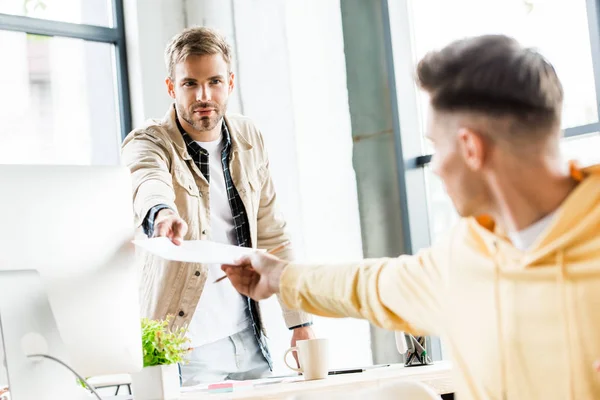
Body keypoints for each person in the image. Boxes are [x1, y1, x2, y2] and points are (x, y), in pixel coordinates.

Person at [221, 35, 600, 399]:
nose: (434, 167)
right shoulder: (468, 254)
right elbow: (372, 286)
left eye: (435, 145)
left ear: (470, 148)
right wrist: (278, 276)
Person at [121, 27, 314, 386]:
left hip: (248, 337)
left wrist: (301, 322)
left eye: (214, 81)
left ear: (230, 83)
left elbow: (273, 234)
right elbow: (146, 180)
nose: (203, 95)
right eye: (190, 84)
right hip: (185, 348)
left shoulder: (249, 137)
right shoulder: (148, 141)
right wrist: (161, 212)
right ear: (171, 88)